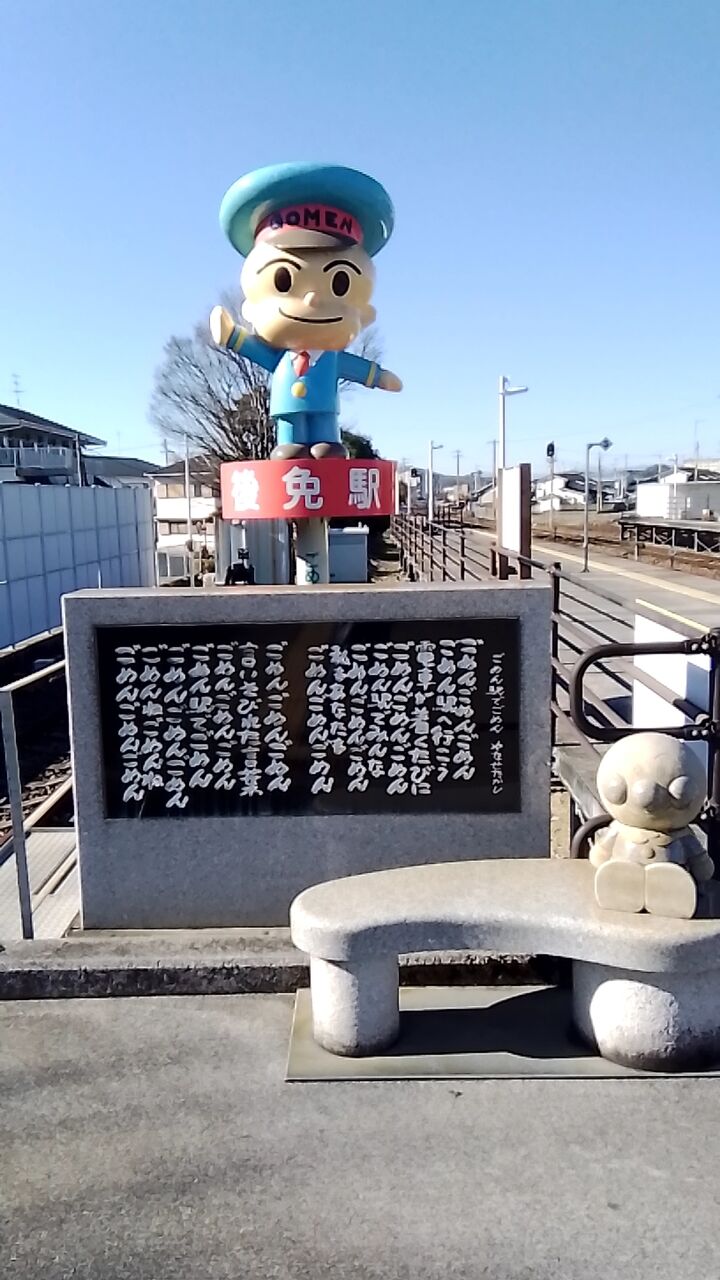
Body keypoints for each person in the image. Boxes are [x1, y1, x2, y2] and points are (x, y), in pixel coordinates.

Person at [210, 162, 402, 461]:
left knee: (325, 434)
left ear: (364, 313)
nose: (312, 299)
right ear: (252, 307)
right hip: (286, 407)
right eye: (284, 281)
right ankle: (290, 443)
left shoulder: (331, 359)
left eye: (339, 284)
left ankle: (327, 441)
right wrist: (230, 335)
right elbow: (253, 348)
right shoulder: (280, 358)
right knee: (291, 437)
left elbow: (354, 367)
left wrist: (378, 376)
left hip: (326, 406)